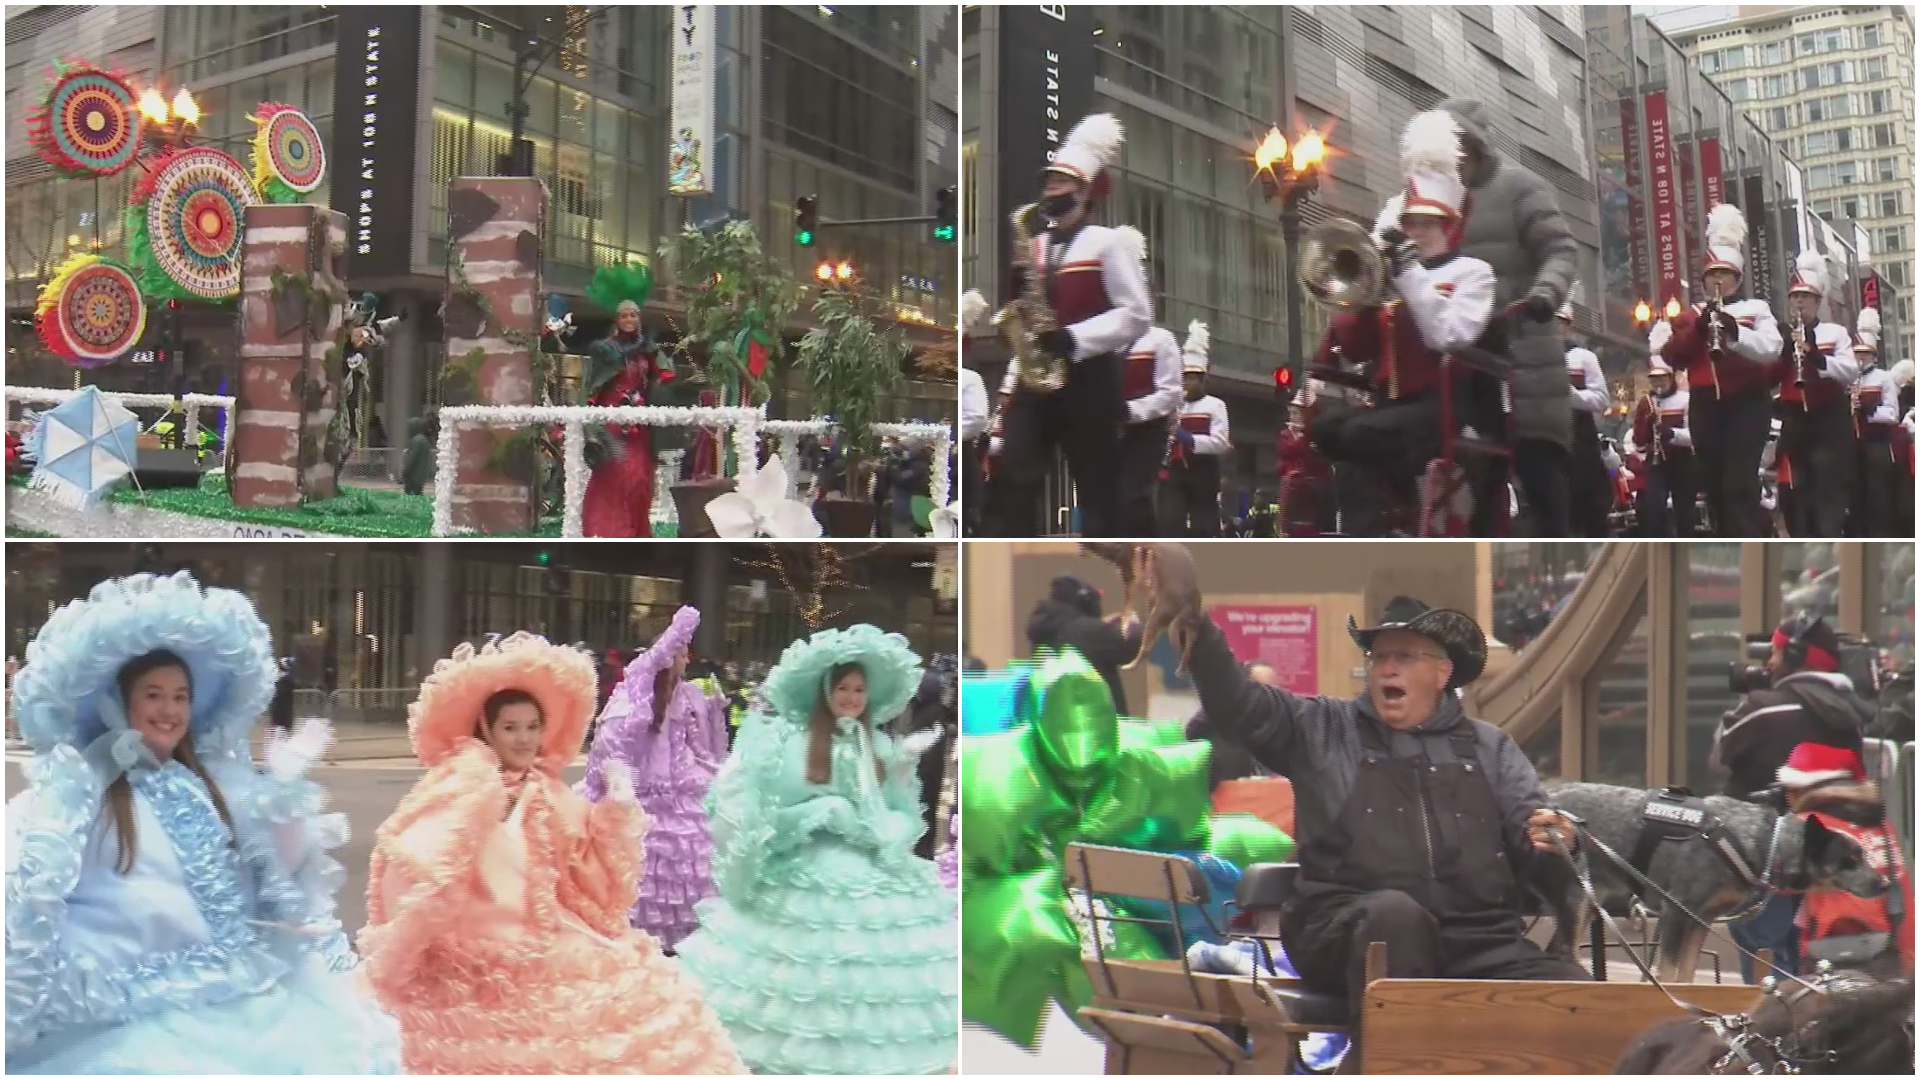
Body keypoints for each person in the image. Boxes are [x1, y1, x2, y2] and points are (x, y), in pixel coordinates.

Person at [6, 572, 398, 1074]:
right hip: (120, 1016)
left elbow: (269, 891)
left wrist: (285, 814)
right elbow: (30, 891)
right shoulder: (77, 793)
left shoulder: (214, 786)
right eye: (153, 694)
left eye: (180, 696)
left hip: (239, 1000)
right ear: (123, 702)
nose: (169, 710)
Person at [1180, 580, 1588, 1027]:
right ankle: (1391, 1058)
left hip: (1480, 943)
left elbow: (1535, 837)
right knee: (1396, 918)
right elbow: (1237, 703)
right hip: (1346, 931)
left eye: (1405, 656)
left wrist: (1559, 841)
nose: (1388, 669)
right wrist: (1196, 627)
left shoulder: (1491, 748)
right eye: (1379, 658)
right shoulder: (1321, 727)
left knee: (1581, 1000)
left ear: (1442, 673)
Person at [358, 633, 744, 1074]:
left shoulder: (546, 790)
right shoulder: (461, 783)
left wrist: (616, 813)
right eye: (510, 728)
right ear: (487, 731)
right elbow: (420, 852)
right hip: (475, 948)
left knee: (619, 1000)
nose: (524, 739)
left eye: (532, 727)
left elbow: (587, 864)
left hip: (547, 931)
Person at [676, 626, 957, 1075]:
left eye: (859, 690)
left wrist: (891, 807)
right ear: (826, 691)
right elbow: (771, 816)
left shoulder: (878, 744)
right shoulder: (798, 744)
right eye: (843, 688)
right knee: (801, 974)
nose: (851, 698)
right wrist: (823, 811)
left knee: (872, 973)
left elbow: (903, 816)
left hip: (874, 868)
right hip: (805, 868)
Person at [1312, 111, 1499, 535]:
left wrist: (1409, 272)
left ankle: (1373, 530)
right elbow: (1357, 350)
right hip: (1388, 404)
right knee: (1327, 427)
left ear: (1449, 226)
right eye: (1412, 222)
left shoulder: (1472, 273)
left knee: (1357, 436)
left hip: (1439, 406)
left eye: (1428, 222)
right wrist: (1360, 296)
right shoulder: (1394, 275)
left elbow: (1447, 336)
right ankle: (1385, 517)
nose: (1418, 230)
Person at [986, 112, 1152, 538]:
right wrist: (1017, 289)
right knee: (1014, 472)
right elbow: (1022, 305)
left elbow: (1137, 313)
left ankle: (1111, 559)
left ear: (1084, 191)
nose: (1049, 189)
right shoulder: (1036, 245)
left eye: (1060, 182)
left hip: (1090, 377)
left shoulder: (1108, 243)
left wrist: (1074, 338)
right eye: (1048, 182)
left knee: (1098, 488)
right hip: (1037, 375)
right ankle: (1014, 558)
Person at [1430, 100, 1582, 536]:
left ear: (1474, 145)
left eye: (1457, 145)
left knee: (1539, 472)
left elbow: (1560, 249)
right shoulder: (1432, 204)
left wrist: (1543, 294)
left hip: (1525, 354)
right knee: (1473, 475)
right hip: (1461, 360)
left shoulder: (1520, 187)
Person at [1712, 613, 1877, 981]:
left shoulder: (1765, 707)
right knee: (1808, 957)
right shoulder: (1850, 713)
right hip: (1829, 852)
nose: (1768, 663)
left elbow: (1720, 754)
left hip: (1764, 853)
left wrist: (1751, 697)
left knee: (1765, 957)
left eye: (1774, 653)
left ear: (1796, 655)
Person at [577, 606, 729, 952]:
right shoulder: (637, 692)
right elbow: (612, 740)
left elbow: (701, 745)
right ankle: (643, 936)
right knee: (647, 861)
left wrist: (713, 712)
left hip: (680, 785)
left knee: (686, 860)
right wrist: (619, 784)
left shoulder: (685, 694)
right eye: (682, 651)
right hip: (644, 791)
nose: (687, 659)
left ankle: (678, 935)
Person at [1658, 204, 1783, 537]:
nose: (1717, 279)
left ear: (1737, 278)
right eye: (1711, 274)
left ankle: (1749, 543)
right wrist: (1699, 329)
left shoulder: (1755, 308)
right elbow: (1673, 356)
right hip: (1705, 405)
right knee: (1713, 483)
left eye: (1724, 274)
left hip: (1748, 403)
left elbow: (1771, 348)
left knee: (1738, 482)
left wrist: (1735, 332)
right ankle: (1727, 540)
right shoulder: (1692, 314)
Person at [1773, 250, 1859, 538]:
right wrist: (1784, 354)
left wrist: (1818, 358)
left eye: (1806, 297)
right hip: (1797, 419)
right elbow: (1770, 377)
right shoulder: (1783, 336)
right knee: (1800, 488)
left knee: (1828, 485)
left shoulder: (1835, 333)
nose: (1799, 302)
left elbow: (1850, 371)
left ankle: (1829, 537)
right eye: (1795, 297)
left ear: (1818, 301)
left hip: (1829, 418)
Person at [1106, 228, 1183, 537]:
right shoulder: (1108, 343)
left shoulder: (1161, 339)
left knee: (1134, 500)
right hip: (1109, 433)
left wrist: (1129, 412)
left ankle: (1147, 553)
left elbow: (1170, 394)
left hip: (1146, 434)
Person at [581, 264, 667, 538]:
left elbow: (663, 376)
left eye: (633, 315)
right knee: (616, 476)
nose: (629, 319)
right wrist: (591, 423)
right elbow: (593, 387)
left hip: (640, 427)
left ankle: (635, 533)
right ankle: (609, 532)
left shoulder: (647, 350)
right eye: (624, 315)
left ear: (639, 318)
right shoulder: (606, 350)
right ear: (617, 320)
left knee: (640, 477)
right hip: (613, 424)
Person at [1026, 574, 1143, 715]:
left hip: (1056, 721)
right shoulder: (1090, 633)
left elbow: (1078, 638)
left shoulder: (1045, 633)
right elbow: (1134, 646)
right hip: (1096, 721)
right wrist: (1132, 625)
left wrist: (1097, 626)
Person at [1161, 321, 1232, 536]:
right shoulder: (1173, 406)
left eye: (1192, 379)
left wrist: (1189, 439)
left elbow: (1220, 442)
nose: (1186, 384)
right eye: (1184, 378)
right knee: (1171, 521)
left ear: (1203, 381)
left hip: (1204, 470)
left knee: (1204, 524)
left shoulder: (1215, 405)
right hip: (1175, 470)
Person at [1845, 308, 1905, 537]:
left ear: (1873, 355)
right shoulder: (1846, 379)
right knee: (1855, 497)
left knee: (1878, 496)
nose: (1860, 358)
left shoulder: (1884, 378)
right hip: (1852, 445)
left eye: (1865, 354)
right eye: (1857, 353)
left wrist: (1868, 409)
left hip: (1877, 444)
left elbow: (1893, 414)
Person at [1628, 346, 1696, 537]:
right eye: (1654, 379)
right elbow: (1639, 443)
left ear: (1671, 377)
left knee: (1685, 510)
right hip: (1656, 463)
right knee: (1654, 508)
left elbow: (1695, 435)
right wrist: (1645, 426)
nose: (1658, 383)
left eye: (1662, 378)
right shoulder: (1647, 403)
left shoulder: (1686, 399)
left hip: (1683, 460)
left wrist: (1671, 433)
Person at [1559, 298, 1612, 537]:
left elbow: (1602, 399)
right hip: (1546, 433)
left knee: (1587, 499)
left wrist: (1572, 396)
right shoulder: (1531, 356)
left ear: (1568, 325)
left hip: (1579, 433)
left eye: (1559, 321)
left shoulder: (1584, 357)